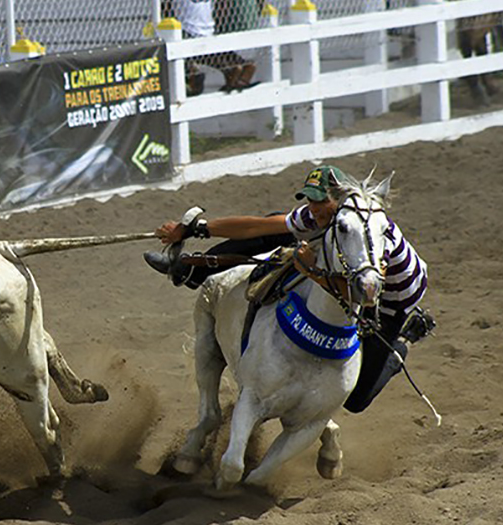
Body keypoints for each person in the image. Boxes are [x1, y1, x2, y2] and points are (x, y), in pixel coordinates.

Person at [143, 165, 433, 413]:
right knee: (277, 226)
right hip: (346, 266)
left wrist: (310, 270)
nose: (313, 208)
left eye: (320, 202)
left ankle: (405, 340)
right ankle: (193, 267)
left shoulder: (371, 232)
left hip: (390, 296)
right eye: (310, 200)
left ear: (339, 201)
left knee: (356, 400)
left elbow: (361, 295)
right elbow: (257, 227)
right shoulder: (322, 215)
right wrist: (197, 229)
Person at [162, 0, 255, 94]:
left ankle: (194, 75)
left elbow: (167, 4)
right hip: (207, 23)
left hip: (190, 28)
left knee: (181, 44)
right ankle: (237, 64)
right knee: (204, 48)